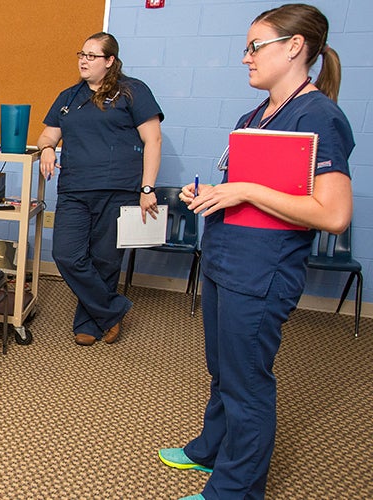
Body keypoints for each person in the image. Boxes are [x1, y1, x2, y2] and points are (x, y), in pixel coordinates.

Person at [158, 4, 354, 499]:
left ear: (294, 48)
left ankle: (235, 490)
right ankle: (210, 449)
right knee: (222, 369)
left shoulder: (319, 116)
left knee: (247, 384)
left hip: (261, 273)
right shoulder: (256, 115)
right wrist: (205, 194)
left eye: (254, 46)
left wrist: (245, 191)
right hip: (227, 262)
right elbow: (244, 189)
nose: (246, 57)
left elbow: (333, 214)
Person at [36, 32, 163, 346]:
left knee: (105, 260)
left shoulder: (132, 92)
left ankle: (90, 324)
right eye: (82, 53)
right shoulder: (68, 97)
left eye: (92, 55)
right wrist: (48, 149)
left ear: (110, 61)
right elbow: (46, 136)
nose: (83, 60)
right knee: (66, 254)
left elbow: (153, 140)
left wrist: (148, 188)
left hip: (118, 188)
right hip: (75, 189)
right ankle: (113, 310)